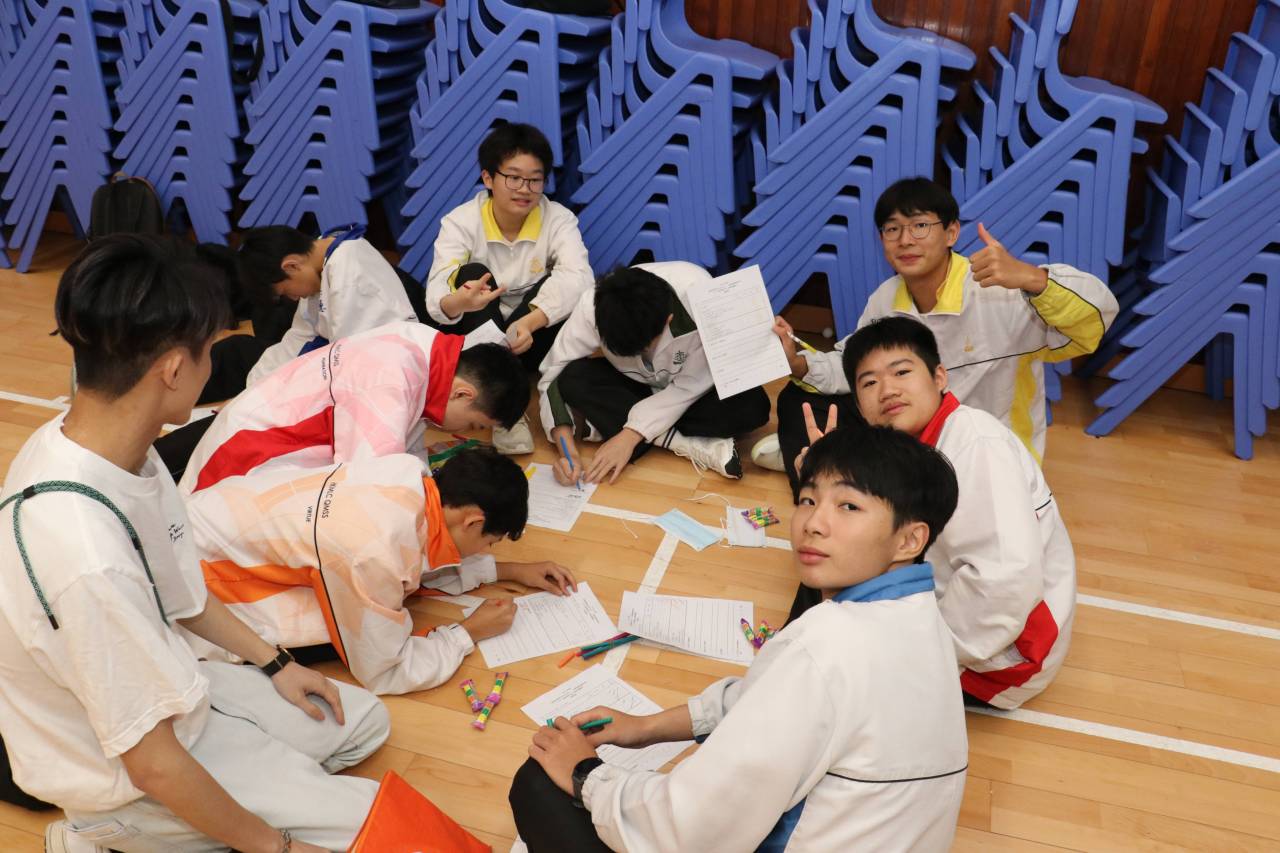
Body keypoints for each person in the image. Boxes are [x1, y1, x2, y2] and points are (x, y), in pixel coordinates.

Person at [0, 235, 389, 852]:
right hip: (131, 776)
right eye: (210, 350)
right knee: (382, 834)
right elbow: (153, 766)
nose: (213, 365)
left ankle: (241, 810)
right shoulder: (84, 557)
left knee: (364, 724)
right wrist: (280, 848)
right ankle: (105, 836)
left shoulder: (115, 445)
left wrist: (277, 662)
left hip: (177, 699)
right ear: (174, 369)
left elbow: (181, 592)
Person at [508, 426, 968, 852]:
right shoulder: (921, 617)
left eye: (848, 506)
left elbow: (689, 830)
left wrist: (586, 774)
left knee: (539, 784)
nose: (813, 523)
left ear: (909, 540)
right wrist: (646, 728)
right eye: (808, 499)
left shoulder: (824, 646)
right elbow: (762, 699)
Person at [762, 176, 1118, 496]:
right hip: (910, 432)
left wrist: (1032, 278)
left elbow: (1095, 321)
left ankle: (835, 469)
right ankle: (820, 473)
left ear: (951, 233)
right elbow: (853, 366)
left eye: (920, 226)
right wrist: (799, 362)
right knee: (800, 397)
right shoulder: (886, 298)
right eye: (892, 229)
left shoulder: (999, 291)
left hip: (983, 453)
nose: (905, 240)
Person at [792, 316, 1077, 709]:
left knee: (828, 684)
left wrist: (918, 653)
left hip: (999, 660)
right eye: (869, 383)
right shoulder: (907, 446)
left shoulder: (976, 444)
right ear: (858, 405)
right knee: (828, 550)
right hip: (954, 613)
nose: (887, 390)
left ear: (940, 377)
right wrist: (827, 480)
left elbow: (1004, 583)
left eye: (902, 372)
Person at [187, 449, 580, 695]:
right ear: (474, 521)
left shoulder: (407, 472)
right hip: (204, 583)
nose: (485, 550)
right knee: (353, 638)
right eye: (490, 543)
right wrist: (468, 632)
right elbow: (384, 671)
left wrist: (508, 570)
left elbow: (420, 557)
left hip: (210, 516)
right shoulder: (375, 552)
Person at [167, 321, 528, 493]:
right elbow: (374, 484)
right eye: (476, 424)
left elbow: (405, 445)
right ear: (463, 394)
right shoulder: (391, 377)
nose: (465, 432)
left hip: (267, 433)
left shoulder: (429, 350)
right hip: (244, 461)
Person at [425, 123, 594, 454]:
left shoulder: (558, 219)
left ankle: (507, 397)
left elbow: (580, 278)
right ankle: (501, 406)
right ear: (488, 178)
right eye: (513, 178)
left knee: (567, 286)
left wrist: (530, 321)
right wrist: (460, 301)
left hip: (528, 337)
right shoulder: (460, 221)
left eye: (534, 179)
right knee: (471, 273)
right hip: (474, 338)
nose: (524, 189)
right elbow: (438, 289)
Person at [538, 263, 771, 483]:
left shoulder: (701, 297)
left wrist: (630, 435)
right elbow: (553, 373)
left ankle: (642, 434)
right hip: (634, 385)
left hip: (691, 390)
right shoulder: (592, 306)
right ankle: (684, 443)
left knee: (751, 406)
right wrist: (568, 453)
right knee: (573, 377)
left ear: (668, 320)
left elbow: (690, 386)